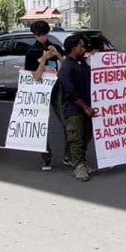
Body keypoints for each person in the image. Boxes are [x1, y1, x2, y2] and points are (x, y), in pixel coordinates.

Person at [23, 20, 67, 171]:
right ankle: (46, 157)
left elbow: (67, 65)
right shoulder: (32, 52)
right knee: (42, 126)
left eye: (44, 34)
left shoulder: (54, 47)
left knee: (67, 123)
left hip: (56, 91)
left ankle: (68, 155)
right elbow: (35, 76)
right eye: (39, 35)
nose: (42, 38)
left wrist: (57, 55)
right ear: (35, 35)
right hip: (40, 93)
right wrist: (43, 60)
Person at [58, 34, 95, 182]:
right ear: (74, 48)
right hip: (74, 110)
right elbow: (70, 92)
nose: (84, 48)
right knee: (76, 138)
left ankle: (83, 162)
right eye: (81, 46)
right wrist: (85, 107)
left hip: (84, 107)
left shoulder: (81, 64)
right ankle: (78, 166)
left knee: (86, 135)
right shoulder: (67, 67)